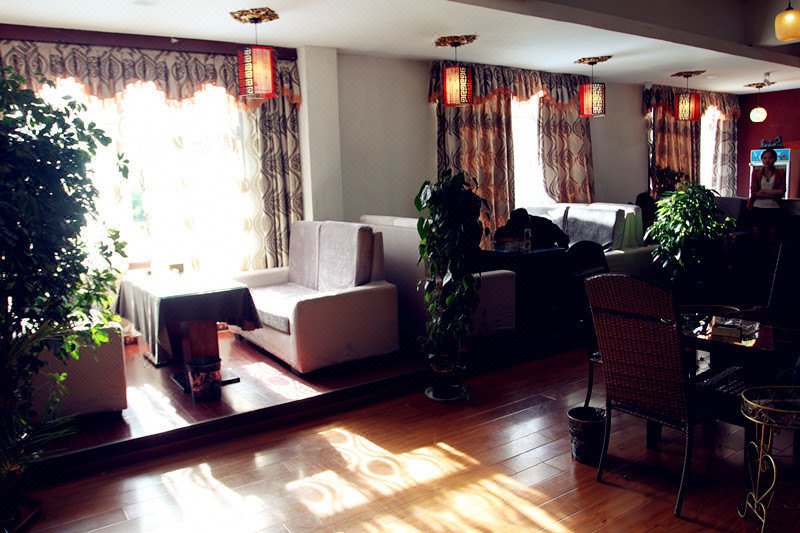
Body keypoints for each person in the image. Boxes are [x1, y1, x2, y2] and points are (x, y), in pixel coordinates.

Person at [748, 148, 786, 246]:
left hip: (774, 208)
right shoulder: (756, 172)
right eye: (764, 158)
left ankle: (772, 256)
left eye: (770, 158)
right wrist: (773, 196)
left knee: (772, 240)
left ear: (775, 159)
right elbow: (754, 193)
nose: (767, 160)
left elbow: (782, 191)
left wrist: (764, 191)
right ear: (761, 160)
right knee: (757, 239)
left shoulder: (780, 172)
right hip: (757, 208)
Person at [494, 208, 569, 249]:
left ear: (528, 221)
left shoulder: (544, 224)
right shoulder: (512, 224)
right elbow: (497, 236)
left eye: (521, 227)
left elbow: (564, 239)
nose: (519, 229)